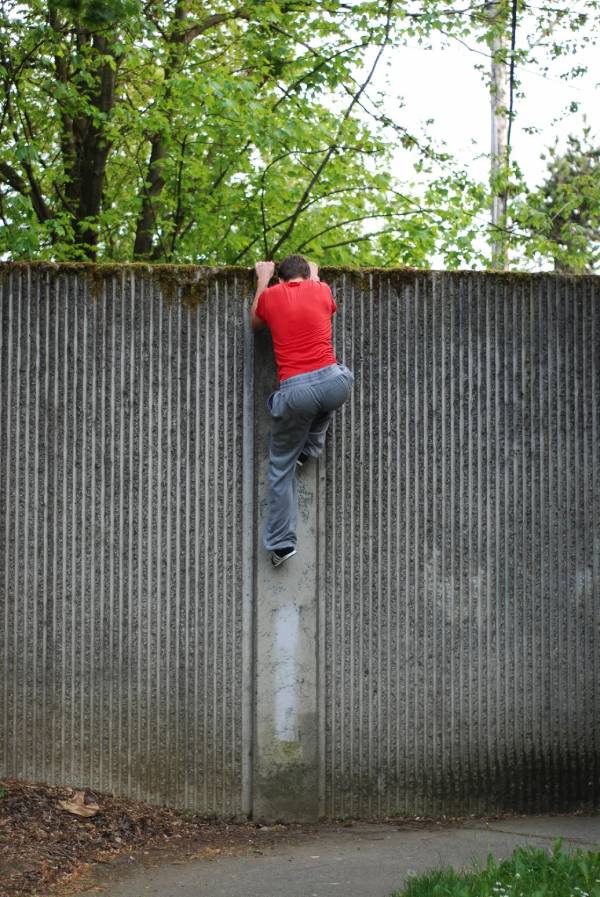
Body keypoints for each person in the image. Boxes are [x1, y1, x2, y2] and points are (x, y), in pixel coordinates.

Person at [251, 254, 354, 567]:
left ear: (280, 279)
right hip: (337, 384)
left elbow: (255, 322)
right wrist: (313, 274)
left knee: (280, 469)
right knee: (336, 381)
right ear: (308, 275)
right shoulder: (321, 290)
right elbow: (317, 284)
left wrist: (262, 278)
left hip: (297, 392)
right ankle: (309, 447)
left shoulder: (271, 295)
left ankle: (282, 544)